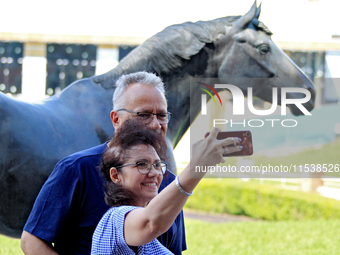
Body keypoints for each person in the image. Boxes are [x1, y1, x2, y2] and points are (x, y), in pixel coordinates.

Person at [21, 72, 186, 255]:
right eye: (144, 114)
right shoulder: (77, 169)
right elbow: (32, 242)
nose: (156, 124)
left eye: (162, 115)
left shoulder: (170, 182)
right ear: (116, 119)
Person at [91, 113, 242, 254]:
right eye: (141, 164)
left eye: (158, 165)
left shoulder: (145, 231)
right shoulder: (114, 220)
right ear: (116, 175)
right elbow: (151, 223)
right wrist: (197, 166)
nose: (154, 173)